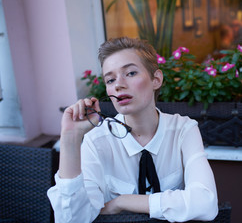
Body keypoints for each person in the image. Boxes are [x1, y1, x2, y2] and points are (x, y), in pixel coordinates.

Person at [47, 37, 218, 222]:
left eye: (130, 73)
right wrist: (70, 138)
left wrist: (123, 201)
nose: (118, 84)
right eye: (110, 79)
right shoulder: (97, 140)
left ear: (156, 79)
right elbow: (72, 219)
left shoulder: (183, 130)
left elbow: (206, 204)